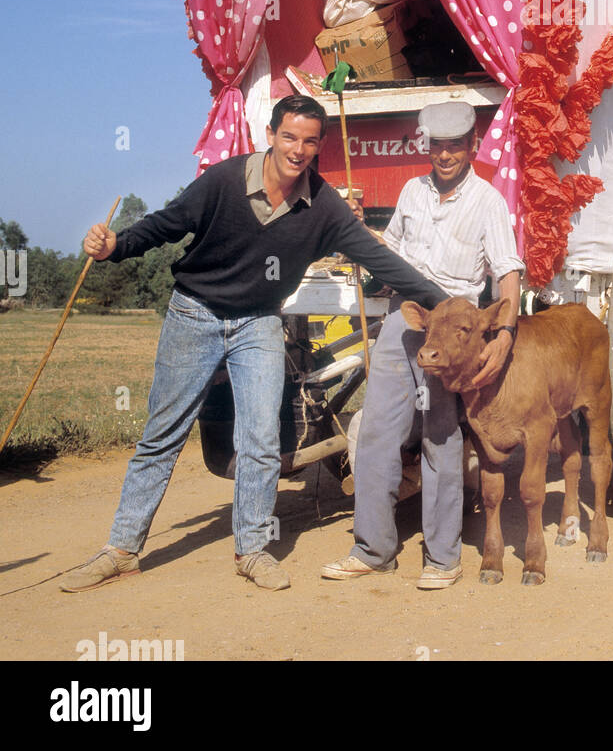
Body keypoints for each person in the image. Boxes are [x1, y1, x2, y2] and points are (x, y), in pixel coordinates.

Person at [60, 95, 447, 593]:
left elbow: (379, 259)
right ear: (270, 135)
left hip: (259, 321)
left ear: (319, 147)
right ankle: (121, 549)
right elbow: (166, 223)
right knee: (162, 436)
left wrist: (444, 303)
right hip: (193, 312)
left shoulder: (324, 206)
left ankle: (253, 550)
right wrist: (116, 246)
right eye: (289, 137)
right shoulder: (224, 181)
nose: (298, 149)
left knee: (262, 440)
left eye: (310, 141)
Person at [322, 100, 524, 589]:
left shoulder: (488, 202)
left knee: (440, 436)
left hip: (453, 332)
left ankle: (443, 558)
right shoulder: (412, 192)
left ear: (473, 147)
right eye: (438, 146)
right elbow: (391, 253)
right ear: (427, 146)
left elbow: (508, 275)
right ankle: (372, 549)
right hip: (404, 320)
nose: (446, 155)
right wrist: (357, 228)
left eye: (456, 146)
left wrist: (505, 333)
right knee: (375, 431)